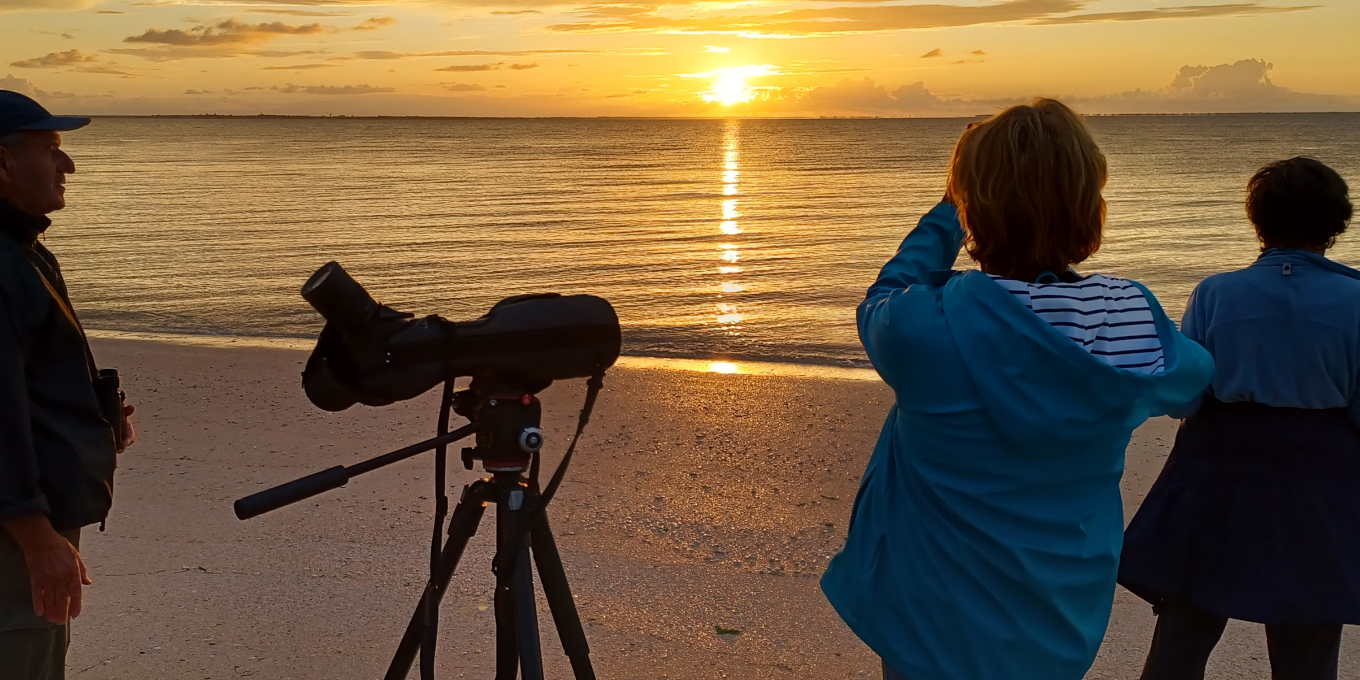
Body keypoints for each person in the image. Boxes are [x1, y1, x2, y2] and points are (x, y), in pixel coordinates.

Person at [819, 98, 1214, 680]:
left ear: (974, 207)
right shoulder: (1133, 321)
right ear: (1091, 205)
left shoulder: (922, 326)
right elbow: (1194, 383)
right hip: (1058, 612)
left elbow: (886, 293)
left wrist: (951, 209)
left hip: (929, 608)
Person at [1118, 157, 1358, 680]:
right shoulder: (1357, 299)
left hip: (1217, 471)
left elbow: (1185, 398)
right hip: (1317, 477)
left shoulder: (1215, 293)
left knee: (1182, 637)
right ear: (1337, 224)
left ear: (1257, 222)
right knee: (1308, 646)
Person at [0, 90, 136, 679]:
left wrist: (93, 419)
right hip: (13, 534)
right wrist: (35, 536)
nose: (68, 165)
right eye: (51, 149)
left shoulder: (24, 249)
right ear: (2, 163)